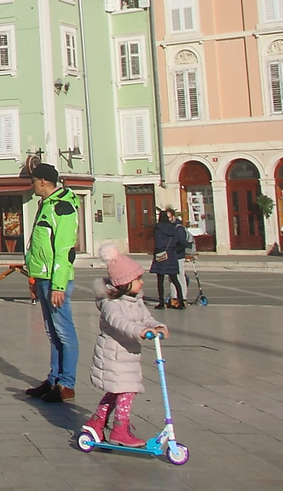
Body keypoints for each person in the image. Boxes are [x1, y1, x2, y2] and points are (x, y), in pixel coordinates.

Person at [79, 243, 168, 449]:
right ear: (125, 282)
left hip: (127, 356)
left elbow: (146, 318)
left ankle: (96, 422)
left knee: (116, 392)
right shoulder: (111, 305)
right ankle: (120, 429)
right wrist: (139, 331)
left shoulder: (135, 301)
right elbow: (120, 323)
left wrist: (157, 326)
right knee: (127, 391)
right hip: (114, 356)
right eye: (137, 279)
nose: (141, 282)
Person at [23, 163, 80, 404]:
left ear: (43, 182)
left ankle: (67, 383)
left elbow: (65, 249)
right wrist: (33, 278)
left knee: (64, 331)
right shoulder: (45, 205)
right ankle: (54, 378)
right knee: (52, 332)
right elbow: (37, 246)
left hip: (56, 280)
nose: (32, 185)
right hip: (43, 277)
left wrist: (58, 285)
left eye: (33, 181)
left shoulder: (63, 207)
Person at [150, 208, 191, 309]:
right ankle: (181, 301)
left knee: (160, 280)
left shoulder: (158, 229)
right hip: (172, 255)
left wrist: (157, 251)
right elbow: (182, 242)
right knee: (175, 279)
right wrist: (175, 250)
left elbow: (158, 243)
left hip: (162, 255)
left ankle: (161, 302)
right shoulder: (174, 228)